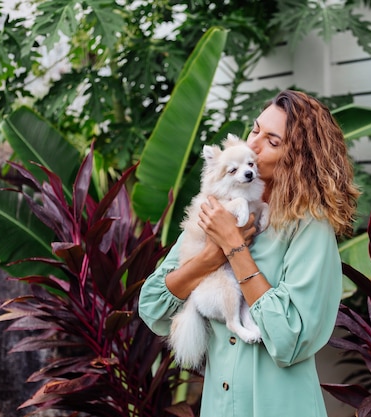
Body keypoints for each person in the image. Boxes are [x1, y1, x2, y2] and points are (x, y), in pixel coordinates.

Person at [138, 89, 359, 417]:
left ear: (297, 159)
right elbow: (153, 307)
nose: (252, 145)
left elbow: (289, 341)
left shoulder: (309, 227)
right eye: (255, 130)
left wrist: (235, 247)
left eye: (272, 141)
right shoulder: (213, 209)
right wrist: (212, 257)